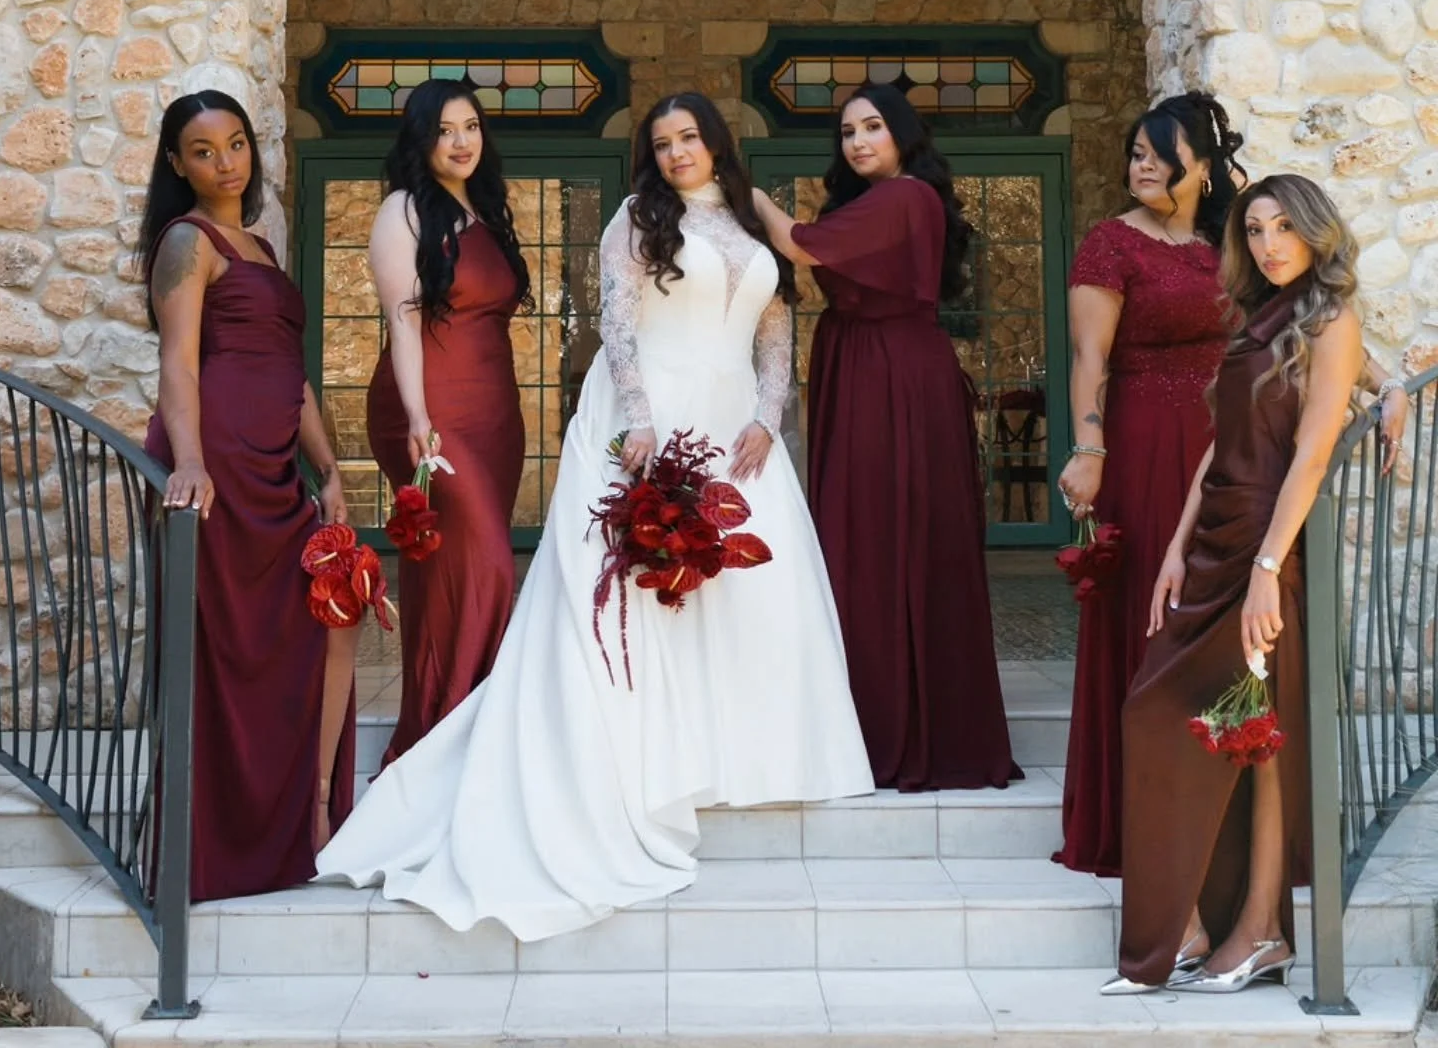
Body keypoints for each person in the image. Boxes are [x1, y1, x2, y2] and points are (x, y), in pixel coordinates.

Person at [316, 92, 872, 938]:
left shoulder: (756, 214)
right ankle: (636, 754)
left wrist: (770, 410)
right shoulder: (634, 216)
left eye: (690, 137)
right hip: (650, 410)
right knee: (640, 585)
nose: (679, 152)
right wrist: (639, 417)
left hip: (739, 426)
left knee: (746, 590)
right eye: (663, 142)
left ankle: (739, 752)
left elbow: (775, 321)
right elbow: (616, 323)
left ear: (716, 142)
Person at [1104, 173, 1363, 995]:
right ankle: (1190, 927)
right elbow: (1221, 446)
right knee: (1161, 713)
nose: (1269, 243)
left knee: (1258, 734)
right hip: (1216, 539)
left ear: (1317, 231)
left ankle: (1259, 932)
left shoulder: (1332, 320)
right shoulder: (1259, 321)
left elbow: (1313, 453)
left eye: (1285, 226)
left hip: (1264, 546)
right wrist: (1178, 545)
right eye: (1254, 229)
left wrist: (1265, 572)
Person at [753, 82, 1018, 791]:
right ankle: (867, 716)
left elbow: (801, 248)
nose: (859, 141)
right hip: (863, 364)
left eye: (873, 127)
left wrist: (741, 190)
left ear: (902, 134)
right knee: (865, 538)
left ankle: (894, 728)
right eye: (847, 132)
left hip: (893, 375)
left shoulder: (905, 197)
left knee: (882, 539)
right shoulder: (877, 203)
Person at [140, 90, 355, 901]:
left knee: (317, 627)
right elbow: (179, 364)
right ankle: (219, 851)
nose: (225, 162)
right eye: (203, 150)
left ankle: (305, 820)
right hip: (218, 468)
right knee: (224, 658)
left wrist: (329, 469)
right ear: (176, 164)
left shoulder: (260, 246)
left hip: (276, 467)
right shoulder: (185, 244)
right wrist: (189, 462)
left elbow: (290, 375)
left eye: (236, 145)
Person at [1053, 93, 1245, 874]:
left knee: (1224, 608)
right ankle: (1140, 817)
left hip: (1228, 444)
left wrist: (1381, 383)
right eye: (1134, 152)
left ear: (1200, 166)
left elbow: (1295, 319)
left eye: (1156, 155)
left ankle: (1226, 807)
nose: (1139, 166)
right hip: (1141, 438)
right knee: (1151, 613)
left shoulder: (1232, 241)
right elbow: (1089, 359)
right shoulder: (1110, 243)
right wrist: (1088, 447)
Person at [366, 79, 531, 764]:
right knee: (489, 561)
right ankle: (446, 736)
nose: (460, 142)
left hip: (496, 412)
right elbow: (402, 321)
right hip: (429, 407)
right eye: (444, 130)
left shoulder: (489, 212)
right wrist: (417, 415)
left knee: (455, 569)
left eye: (471, 127)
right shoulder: (402, 211)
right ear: (421, 140)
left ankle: (475, 736)